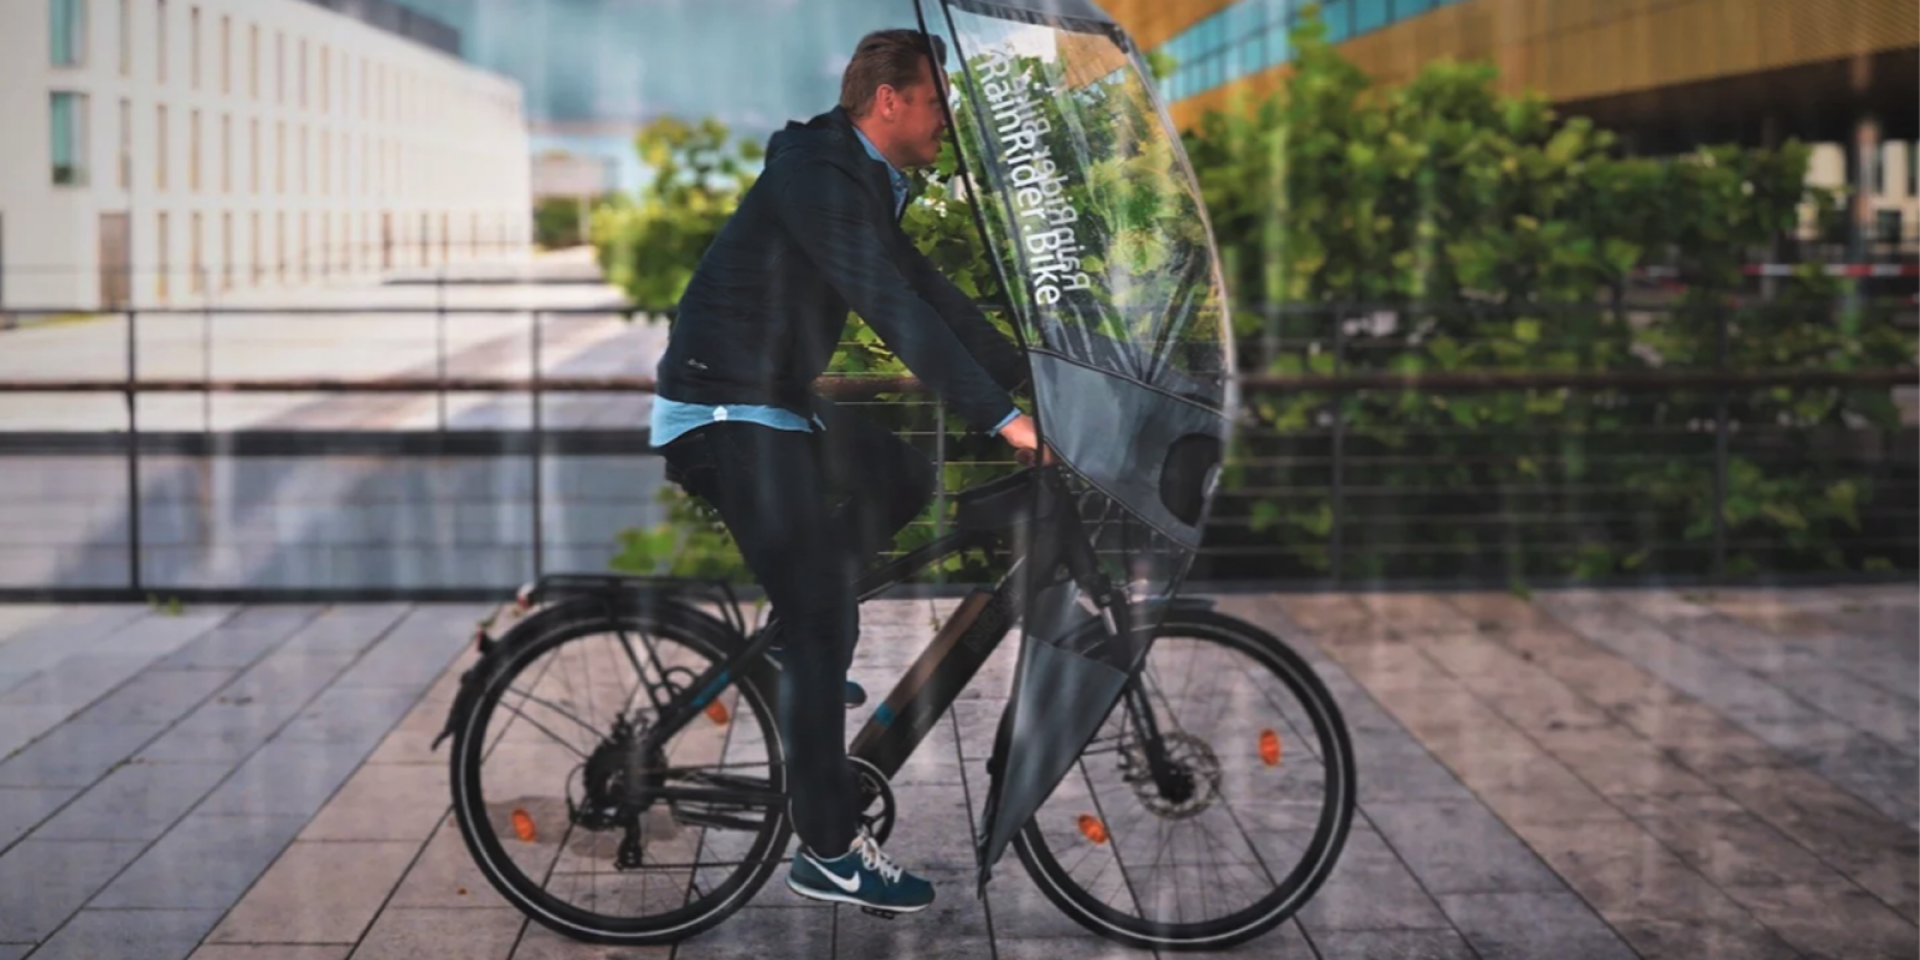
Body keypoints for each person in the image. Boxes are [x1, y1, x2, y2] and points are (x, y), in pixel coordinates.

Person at [650, 29, 1046, 915]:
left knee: (902, 479)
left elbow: (928, 290)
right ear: (890, 100)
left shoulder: (857, 179)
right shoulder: (817, 176)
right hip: (724, 411)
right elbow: (892, 306)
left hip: (771, 399)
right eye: (939, 101)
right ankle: (825, 850)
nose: (948, 120)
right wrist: (1006, 421)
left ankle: (800, 632)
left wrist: (1030, 378)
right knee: (828, 624)